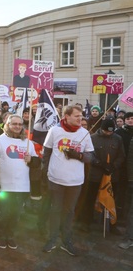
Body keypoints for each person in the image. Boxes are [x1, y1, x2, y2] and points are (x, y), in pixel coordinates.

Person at [42, 105, 95, 256]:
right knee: (55, 210)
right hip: (55, 180)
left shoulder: (85, 133)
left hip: (75, 181)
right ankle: (52, 239)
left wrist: (78, 155)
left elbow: (91, 157)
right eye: (77, 116)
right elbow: (46, 153)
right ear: (67, 117)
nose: (81, 119)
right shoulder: (55, 130)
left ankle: (66, 240)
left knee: (69, 211)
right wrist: (45, 172)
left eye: (81, 116)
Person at [0, 114, 39, 249]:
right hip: (4, 187)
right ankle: (2, 235)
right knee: (4, 213)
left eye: (19, 124)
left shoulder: (27, 143)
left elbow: (37, 163)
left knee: (16, 214)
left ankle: (10, 235)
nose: (17, 126)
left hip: (22, 186)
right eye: (14, 124)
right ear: (7, 125)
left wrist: (32, 160)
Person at [80, 118, 125, 233]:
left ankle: (112, 224)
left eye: (111, 131)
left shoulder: (118, 139)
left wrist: (113, 166)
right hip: (95, 174)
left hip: (112, 175)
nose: (109, 133)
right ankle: (86, 222)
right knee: (90, 198)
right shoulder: (93, 138)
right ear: (102, 129)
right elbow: (89, 154)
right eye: (107, 131)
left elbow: (121, 155)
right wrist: (100, 164)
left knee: (111, 200)